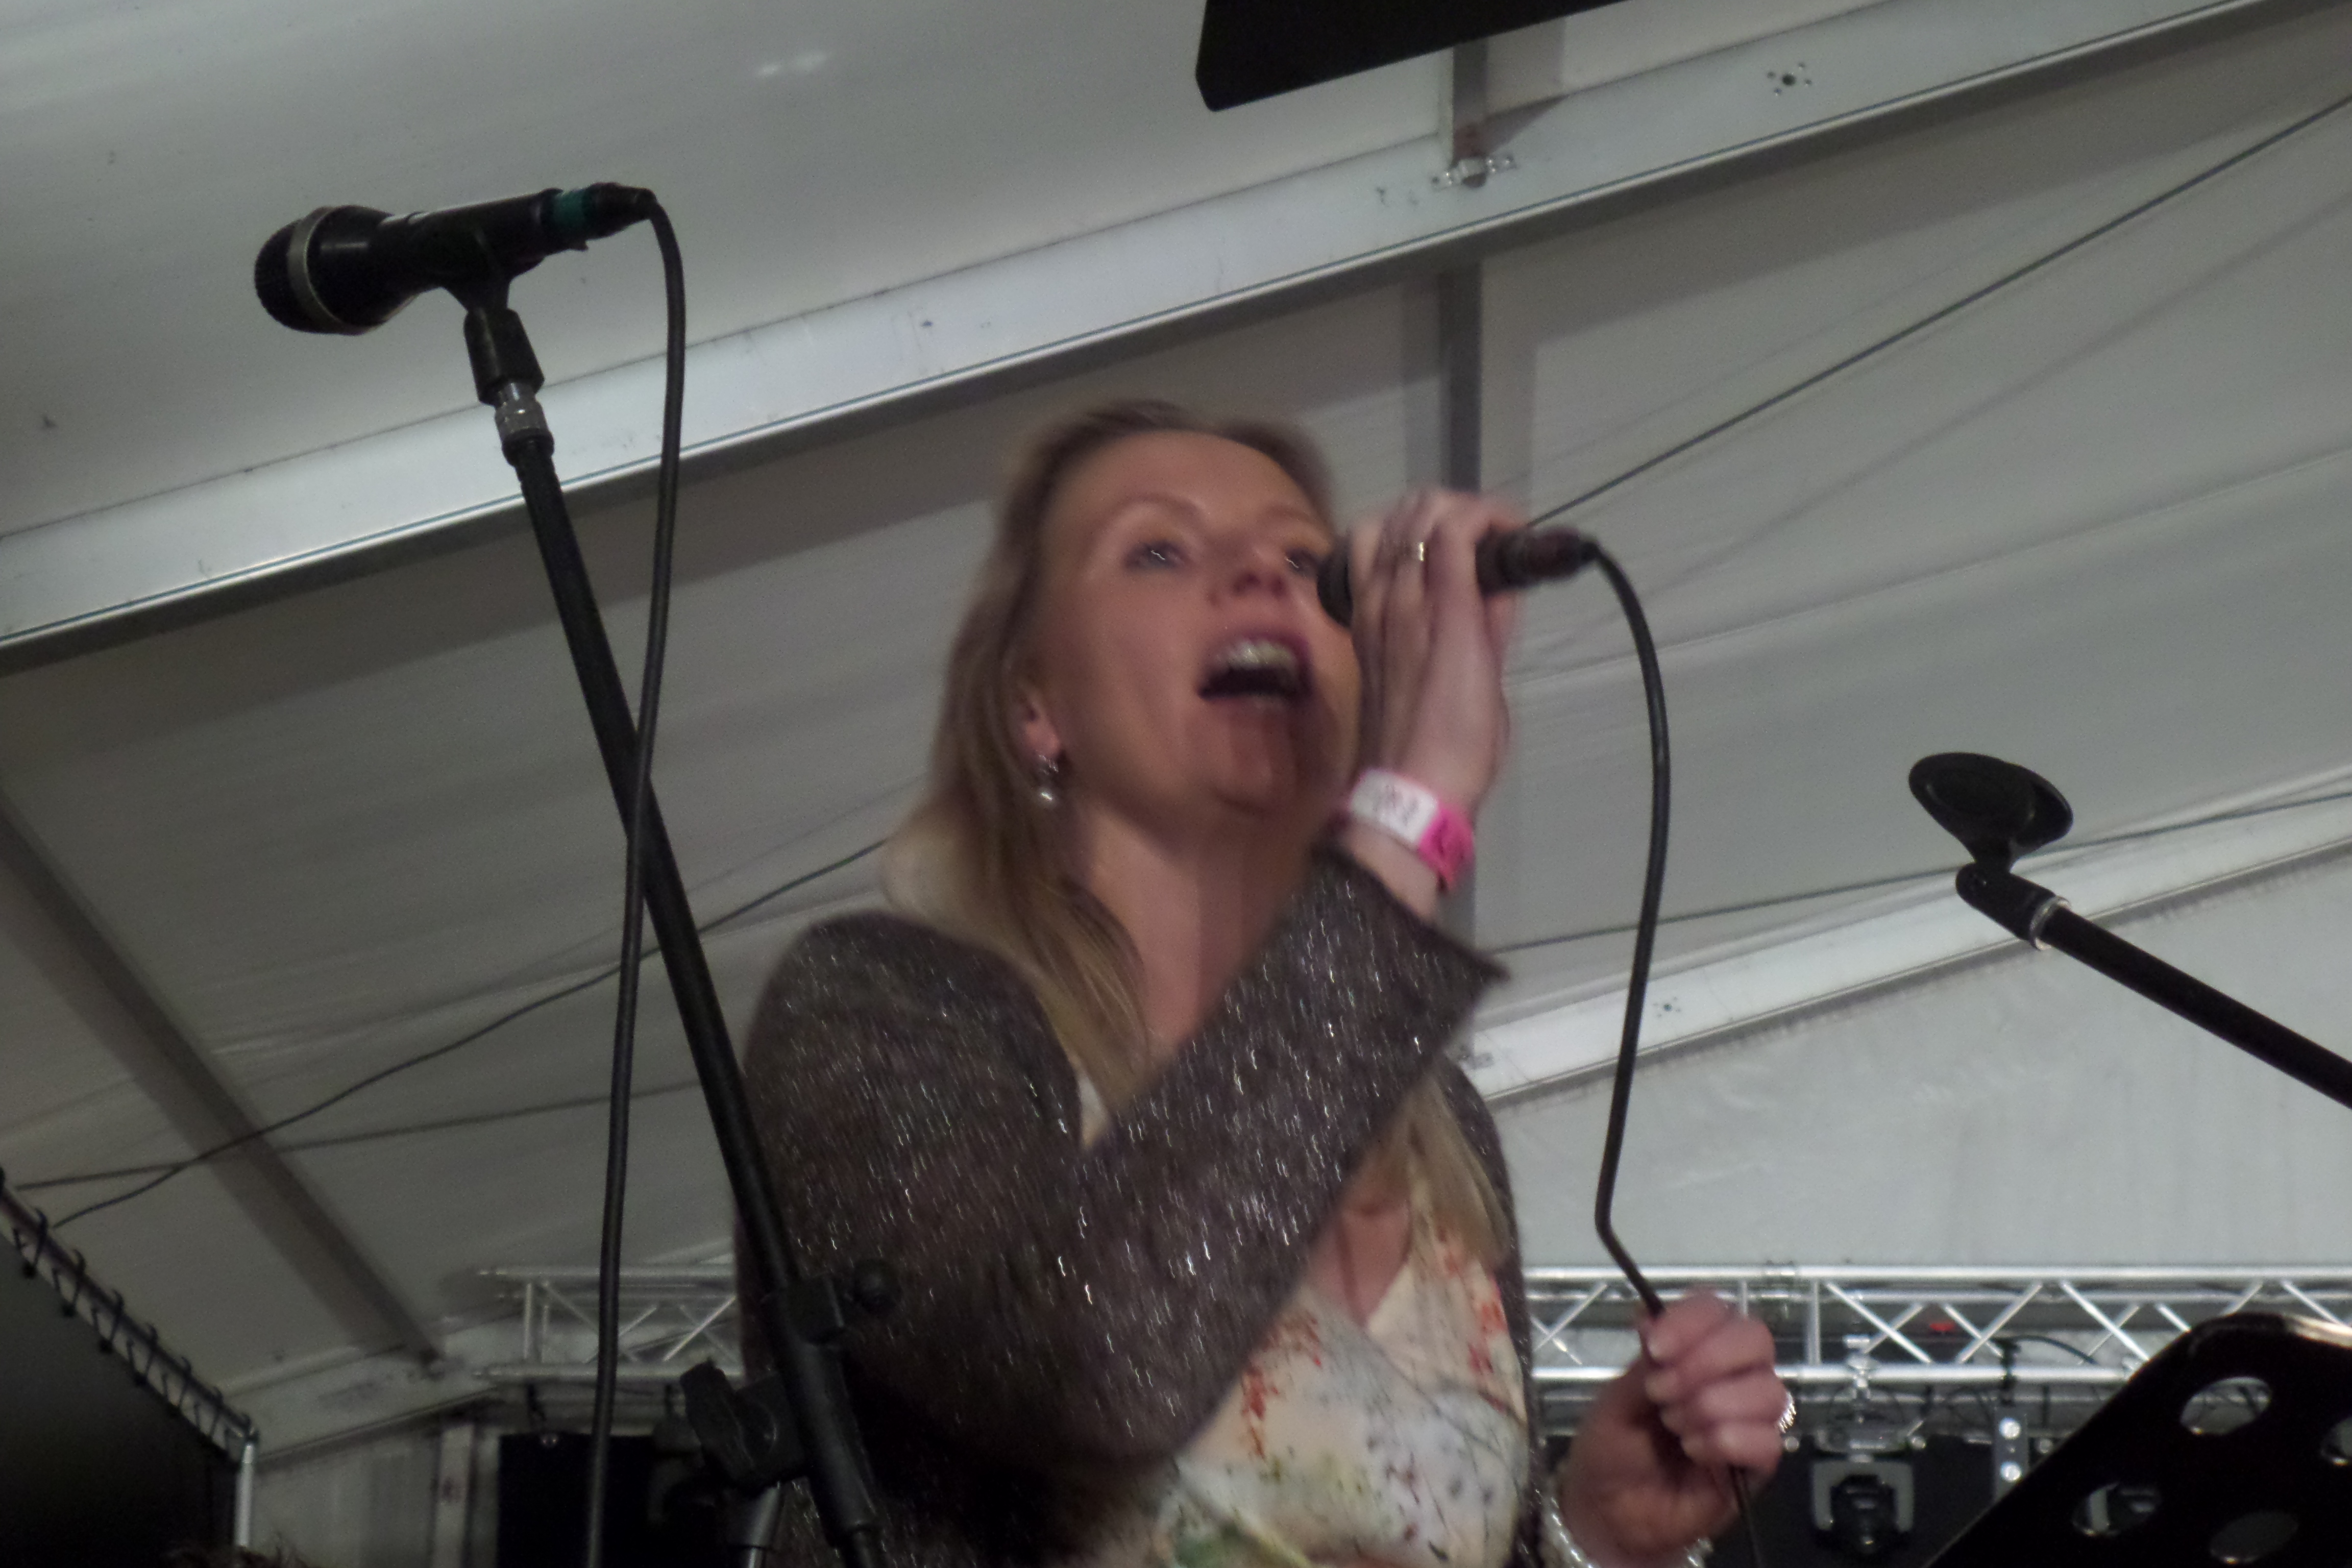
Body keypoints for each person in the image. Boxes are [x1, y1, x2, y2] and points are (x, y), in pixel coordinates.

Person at [740, 400, 1788, 1568]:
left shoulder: (1438, 1136)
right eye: (1158, 550)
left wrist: (1593, 1533)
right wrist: (1413, 807)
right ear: (1036, 705)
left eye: (1301, 560)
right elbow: (1100, 1370)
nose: (1257, 576)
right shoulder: (882, 1008)